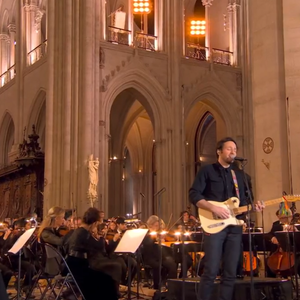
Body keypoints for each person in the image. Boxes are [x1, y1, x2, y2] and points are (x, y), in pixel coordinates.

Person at [189, 137, 263, 300]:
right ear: (219, 151)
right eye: (229, 148)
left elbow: (243, 203)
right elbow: (194, 194)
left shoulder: (240, 175)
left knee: (230, 272)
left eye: (235, 149)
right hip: (214, 227)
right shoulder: (207, 171)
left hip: (234, 228)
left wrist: (253, 208)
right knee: (211, 270)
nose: (233, 151)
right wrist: (213, 207)